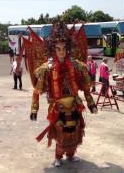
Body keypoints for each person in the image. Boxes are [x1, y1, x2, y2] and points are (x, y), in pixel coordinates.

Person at [27, 22, 97, 167]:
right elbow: (37, 91)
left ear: (68, 49)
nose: (61, 52)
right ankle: (58, 156)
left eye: (64, 48)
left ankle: (71, 154)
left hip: (74, 104)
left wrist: (91, 103)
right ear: (53, 49)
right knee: (60, 131)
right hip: (57, 105)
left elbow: (85, 88)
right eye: (58, 49)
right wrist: (34, 108)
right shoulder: (47, 68)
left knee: (75, 129)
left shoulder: (76, 65)